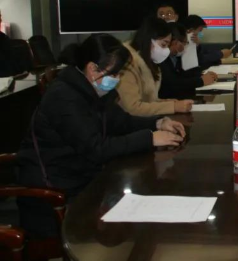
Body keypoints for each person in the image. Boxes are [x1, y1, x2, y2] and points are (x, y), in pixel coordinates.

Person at [16, 34, 185, 238]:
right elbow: (96, 148)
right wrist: (149, 138)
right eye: (114, 73)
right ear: (92, 68)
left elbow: (121, 122)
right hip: (56, 191)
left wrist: (158, 122)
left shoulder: (94, 90)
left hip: (85, 177)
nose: (117, 79)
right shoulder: (64, 97)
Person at [117, 17, 193, 116]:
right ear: (149, 40)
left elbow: (148, 102)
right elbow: (133, 108)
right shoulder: (126, 64)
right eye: (163, 45)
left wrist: (170, 103)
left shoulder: (149, 63)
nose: (166, 50)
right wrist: (173, 107)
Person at [159, 23, 217, 99]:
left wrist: (202, 77)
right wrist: (200, 81)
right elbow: (172, 84)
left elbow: (184, 76)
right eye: (184, 43)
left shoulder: (175, 57)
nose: (184, 47)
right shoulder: (161, 59)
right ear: (174, 42)